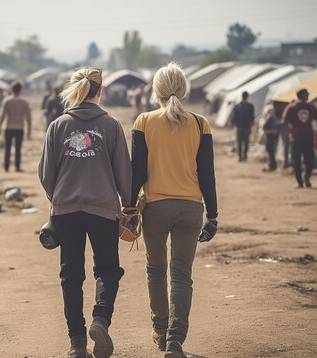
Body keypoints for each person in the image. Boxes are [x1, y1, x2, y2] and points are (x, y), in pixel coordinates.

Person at [38, 67, 132, 358]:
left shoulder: (58, 125)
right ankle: (100, 320)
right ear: (99, 91)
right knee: (107, 270)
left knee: (71, 275)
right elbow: (124, 173)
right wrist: (128, 209)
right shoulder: (112, 125)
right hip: (103, 208)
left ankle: (77, 344)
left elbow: (45, 173)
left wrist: (59, 200)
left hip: (66, 210)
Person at [131, 63, 218, 358]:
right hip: (190, 209)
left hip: (155, 208)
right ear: (184, 89)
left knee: (156, 271)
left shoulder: (143, 121)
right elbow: (207, 174)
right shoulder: (200, 123)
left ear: (156, 91)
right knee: (181, 275)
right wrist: (213, 215)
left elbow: (136, 173)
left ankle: (160, 330)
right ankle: (175, 341)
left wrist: (130, 207)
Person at [282, 88, 317, 188]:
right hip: (307, 135)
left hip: (296, 136)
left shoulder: (291, 107)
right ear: (301, 95)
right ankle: (306, 177)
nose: (308, 95)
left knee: (296, 159)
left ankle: (300, 182)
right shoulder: (311, 107)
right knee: (309, 158)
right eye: (307, 94)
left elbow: (284, 120)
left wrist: (291, 128)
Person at [0, 81, 32, 172]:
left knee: (7, 148)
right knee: (18, 148)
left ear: (12, 89)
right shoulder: (24, 102)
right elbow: (28, 117)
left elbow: (2, 115)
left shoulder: (7, 100)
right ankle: (17, 167)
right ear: (20, 90)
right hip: (19, 127)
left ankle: (6, 166)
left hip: (8, 126)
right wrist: (29, 130)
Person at [232, 91, 255, 162]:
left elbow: (234, 118)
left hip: (239, 127)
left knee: (239, 142)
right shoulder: (250, 106)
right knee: (246, 142)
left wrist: (236, 125)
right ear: (247, 97)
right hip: (247, 127)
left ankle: (240, 157)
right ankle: (245, 156)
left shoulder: (237, 106)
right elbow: (252, 118)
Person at [261, 105, 279, 171]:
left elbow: (274, 130)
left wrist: (269, 131)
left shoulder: (272, 119)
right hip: (270, 137)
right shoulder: (271, 118)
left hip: (271, 138)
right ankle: (272, 165)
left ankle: (272, 165)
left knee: (271, 152)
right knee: (270, 151)